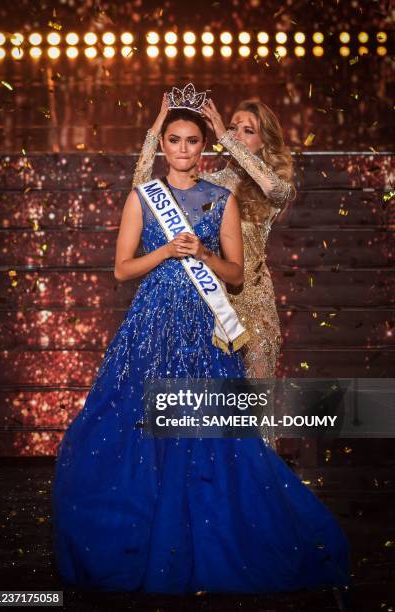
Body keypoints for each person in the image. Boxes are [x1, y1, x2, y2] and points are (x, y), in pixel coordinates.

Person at [51, 97, 350, 598]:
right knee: (137, 428)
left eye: (194, 140)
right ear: (165, 144)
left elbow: (234, 269)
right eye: (175, 139)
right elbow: (122, 268)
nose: (184, 148)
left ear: (204, 146)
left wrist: (205, 252)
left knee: (225, 433)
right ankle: (145, 535)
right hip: (150, 325)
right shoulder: (145, 195)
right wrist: (167, 248)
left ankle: (221, 533)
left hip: (211, 322)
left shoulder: (229, 192)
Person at [133, 94, 297, 448]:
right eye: (233, 126)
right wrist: (157, 128)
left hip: (254, 308)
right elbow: (143, 189)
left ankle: (260, 497)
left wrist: (224, 135)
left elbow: (273, 187)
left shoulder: (271, 186)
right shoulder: (212, 184)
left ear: (265, 141)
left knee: (256, 413)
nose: (236, 134)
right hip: (209, 305)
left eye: (246, 130)